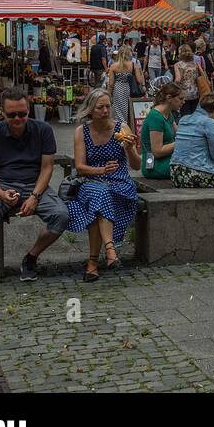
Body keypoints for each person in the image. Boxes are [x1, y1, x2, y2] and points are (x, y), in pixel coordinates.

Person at [0, 88, 69, 287]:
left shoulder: (43, 130)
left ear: (29, 110)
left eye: (22, 114)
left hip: (34, 185)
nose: (18, 118)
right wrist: (0, 193)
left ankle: (31, 257)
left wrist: (34, 196)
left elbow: (47, 168)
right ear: (2, 113)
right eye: (12, 115)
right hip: (2, 185)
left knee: (61, 214)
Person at [67, 88, 141, 282]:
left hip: (120, 183)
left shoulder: (122, 128)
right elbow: (80, 167)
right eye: (100, 107)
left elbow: (136, 165)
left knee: (98, 205)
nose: (106, 111)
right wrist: (101, 170)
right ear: (90, 109)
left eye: (108, 106)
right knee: (100, 194)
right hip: (92, 180)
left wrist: (131, 149)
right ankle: (110, 248)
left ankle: (92, 262)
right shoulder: (81, 131)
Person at [142, 81, 182, 181]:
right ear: (169, 98)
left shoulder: (168, 114)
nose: (183, 102)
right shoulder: (156, 117)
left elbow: (179, 135)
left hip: (168, 159)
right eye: (180, 99)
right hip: (153, 165)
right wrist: (183, 142)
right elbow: (157, 151)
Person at [105, 46, 144, 137]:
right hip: (130, 89)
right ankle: (130, 132)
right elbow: (139, 81)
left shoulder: (113, 66)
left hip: (118, 89)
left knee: (119, 112)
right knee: (130, 111)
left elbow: (110, 84)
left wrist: (107, 95)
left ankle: (121, 134)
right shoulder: (134, 64)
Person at [172, 43, 201, 117]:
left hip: (184, 94)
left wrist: (172, 87)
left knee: (185, 115)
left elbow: (178, 80)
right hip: (195, 93)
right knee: (194, 114)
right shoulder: (195, 64)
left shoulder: (178, 65)